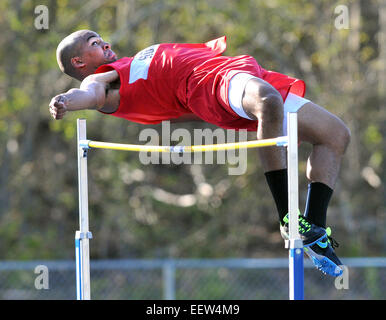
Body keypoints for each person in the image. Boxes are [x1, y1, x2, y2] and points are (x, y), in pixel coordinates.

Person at [50, 30, 351, 276]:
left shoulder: (128, 67)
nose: (106, 43)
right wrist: (65, 100)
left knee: (335, 135)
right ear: (79, 62)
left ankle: (316, 233)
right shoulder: (101, 80)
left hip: (235, 70)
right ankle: (289, 216)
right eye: (95, 44)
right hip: (211, 82)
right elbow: (89, 94)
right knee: (267, 100)